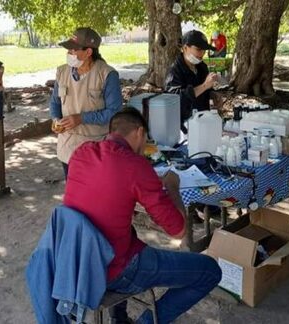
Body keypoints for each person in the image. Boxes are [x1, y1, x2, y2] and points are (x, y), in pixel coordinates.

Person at [63, 108, 222, 324]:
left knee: (127, 233)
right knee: (210, 270)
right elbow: (178, 230)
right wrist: (172, 187)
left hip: (75, 262)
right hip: (115, 269)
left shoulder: (81, 153)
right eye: (145, 138)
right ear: (139, 132)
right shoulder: (135, 165)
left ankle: (119, 318)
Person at [48, 27, 122, 178]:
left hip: (95, 148)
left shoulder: (107, 74)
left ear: (88, 52)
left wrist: (81, 118)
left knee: (94, 195)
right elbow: (55, 103)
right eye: (68, 49)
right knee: (72, 194)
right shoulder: (62, 72)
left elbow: (114, 112)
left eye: (73, 49)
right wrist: (56, 119)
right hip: (67, 146)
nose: (69, 53)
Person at [165, 30, 219, 133]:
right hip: (183, 127)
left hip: (203, 121)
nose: (202, 54)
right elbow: (174, 100)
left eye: (204, 50)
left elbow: (206, 91)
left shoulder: (202, 67)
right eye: (198, 49)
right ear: (185, 48)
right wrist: (204, 86)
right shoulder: (174, 71)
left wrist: (213, 94)